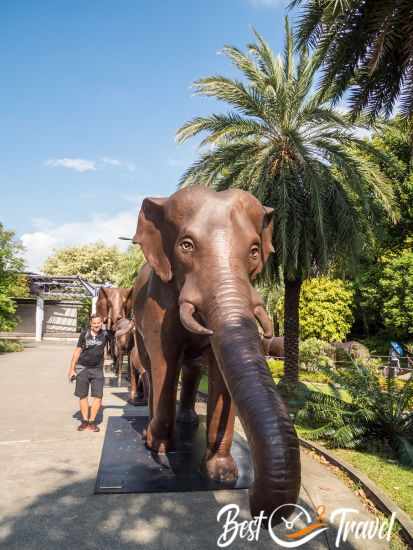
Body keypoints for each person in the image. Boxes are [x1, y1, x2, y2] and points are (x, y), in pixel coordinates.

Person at [68, 314, 112, 431]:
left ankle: (92, 422)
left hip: (97, 369)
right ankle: (84, 421)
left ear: (101, 323)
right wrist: (71, 369)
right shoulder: (84, 334)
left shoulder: (105, 334)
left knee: (98, 396)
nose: (97, 325)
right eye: (94, 323)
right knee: (83, 395)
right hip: (82, 368)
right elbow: (77, 351)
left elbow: (119, 332)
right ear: (90, 324)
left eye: (99, 323)